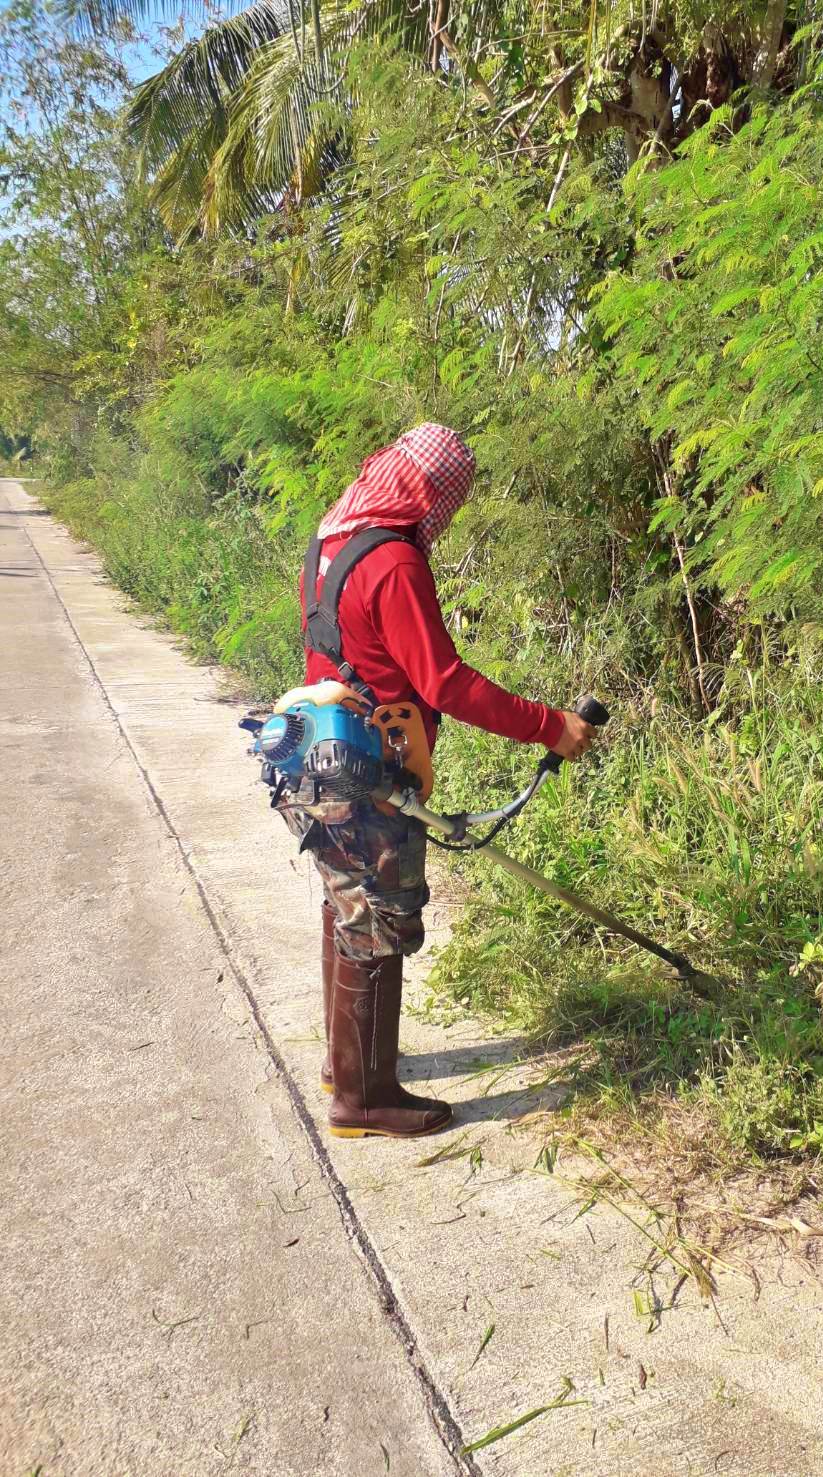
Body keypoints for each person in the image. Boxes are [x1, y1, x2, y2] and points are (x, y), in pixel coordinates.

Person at [277, 423, 595, 1140]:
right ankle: (364, 1099)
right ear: (427, 491)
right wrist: (551, 725)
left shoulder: (333, 538)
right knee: (379, 923)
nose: (442, 517)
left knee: (347, 906)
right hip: (370, 772)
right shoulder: (393, 562)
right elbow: (444, 682)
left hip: (315, 758)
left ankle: (346, 1067)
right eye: (445, 500)